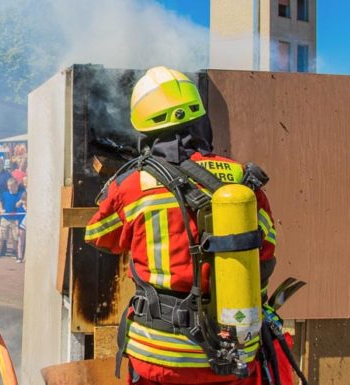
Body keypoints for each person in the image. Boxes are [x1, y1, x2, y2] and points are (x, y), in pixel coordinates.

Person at [85, 67, 277, 385]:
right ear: (200, 119)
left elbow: (99, 236)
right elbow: (266, 248)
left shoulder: (133, 185)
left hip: (159, 357)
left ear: (144, 129)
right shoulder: (241, 178)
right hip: (233, 354)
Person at [0, 177, 23, 258]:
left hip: (15, 219)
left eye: (12, 186)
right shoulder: (5, 194)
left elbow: (24, 200)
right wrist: (1, 210)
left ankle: (15, 251)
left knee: (15, 237)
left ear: (16, 186)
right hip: (5, 218)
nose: (10, 187)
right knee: (1, 236)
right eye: (9, 186)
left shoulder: (20, 194)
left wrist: (20, 202)